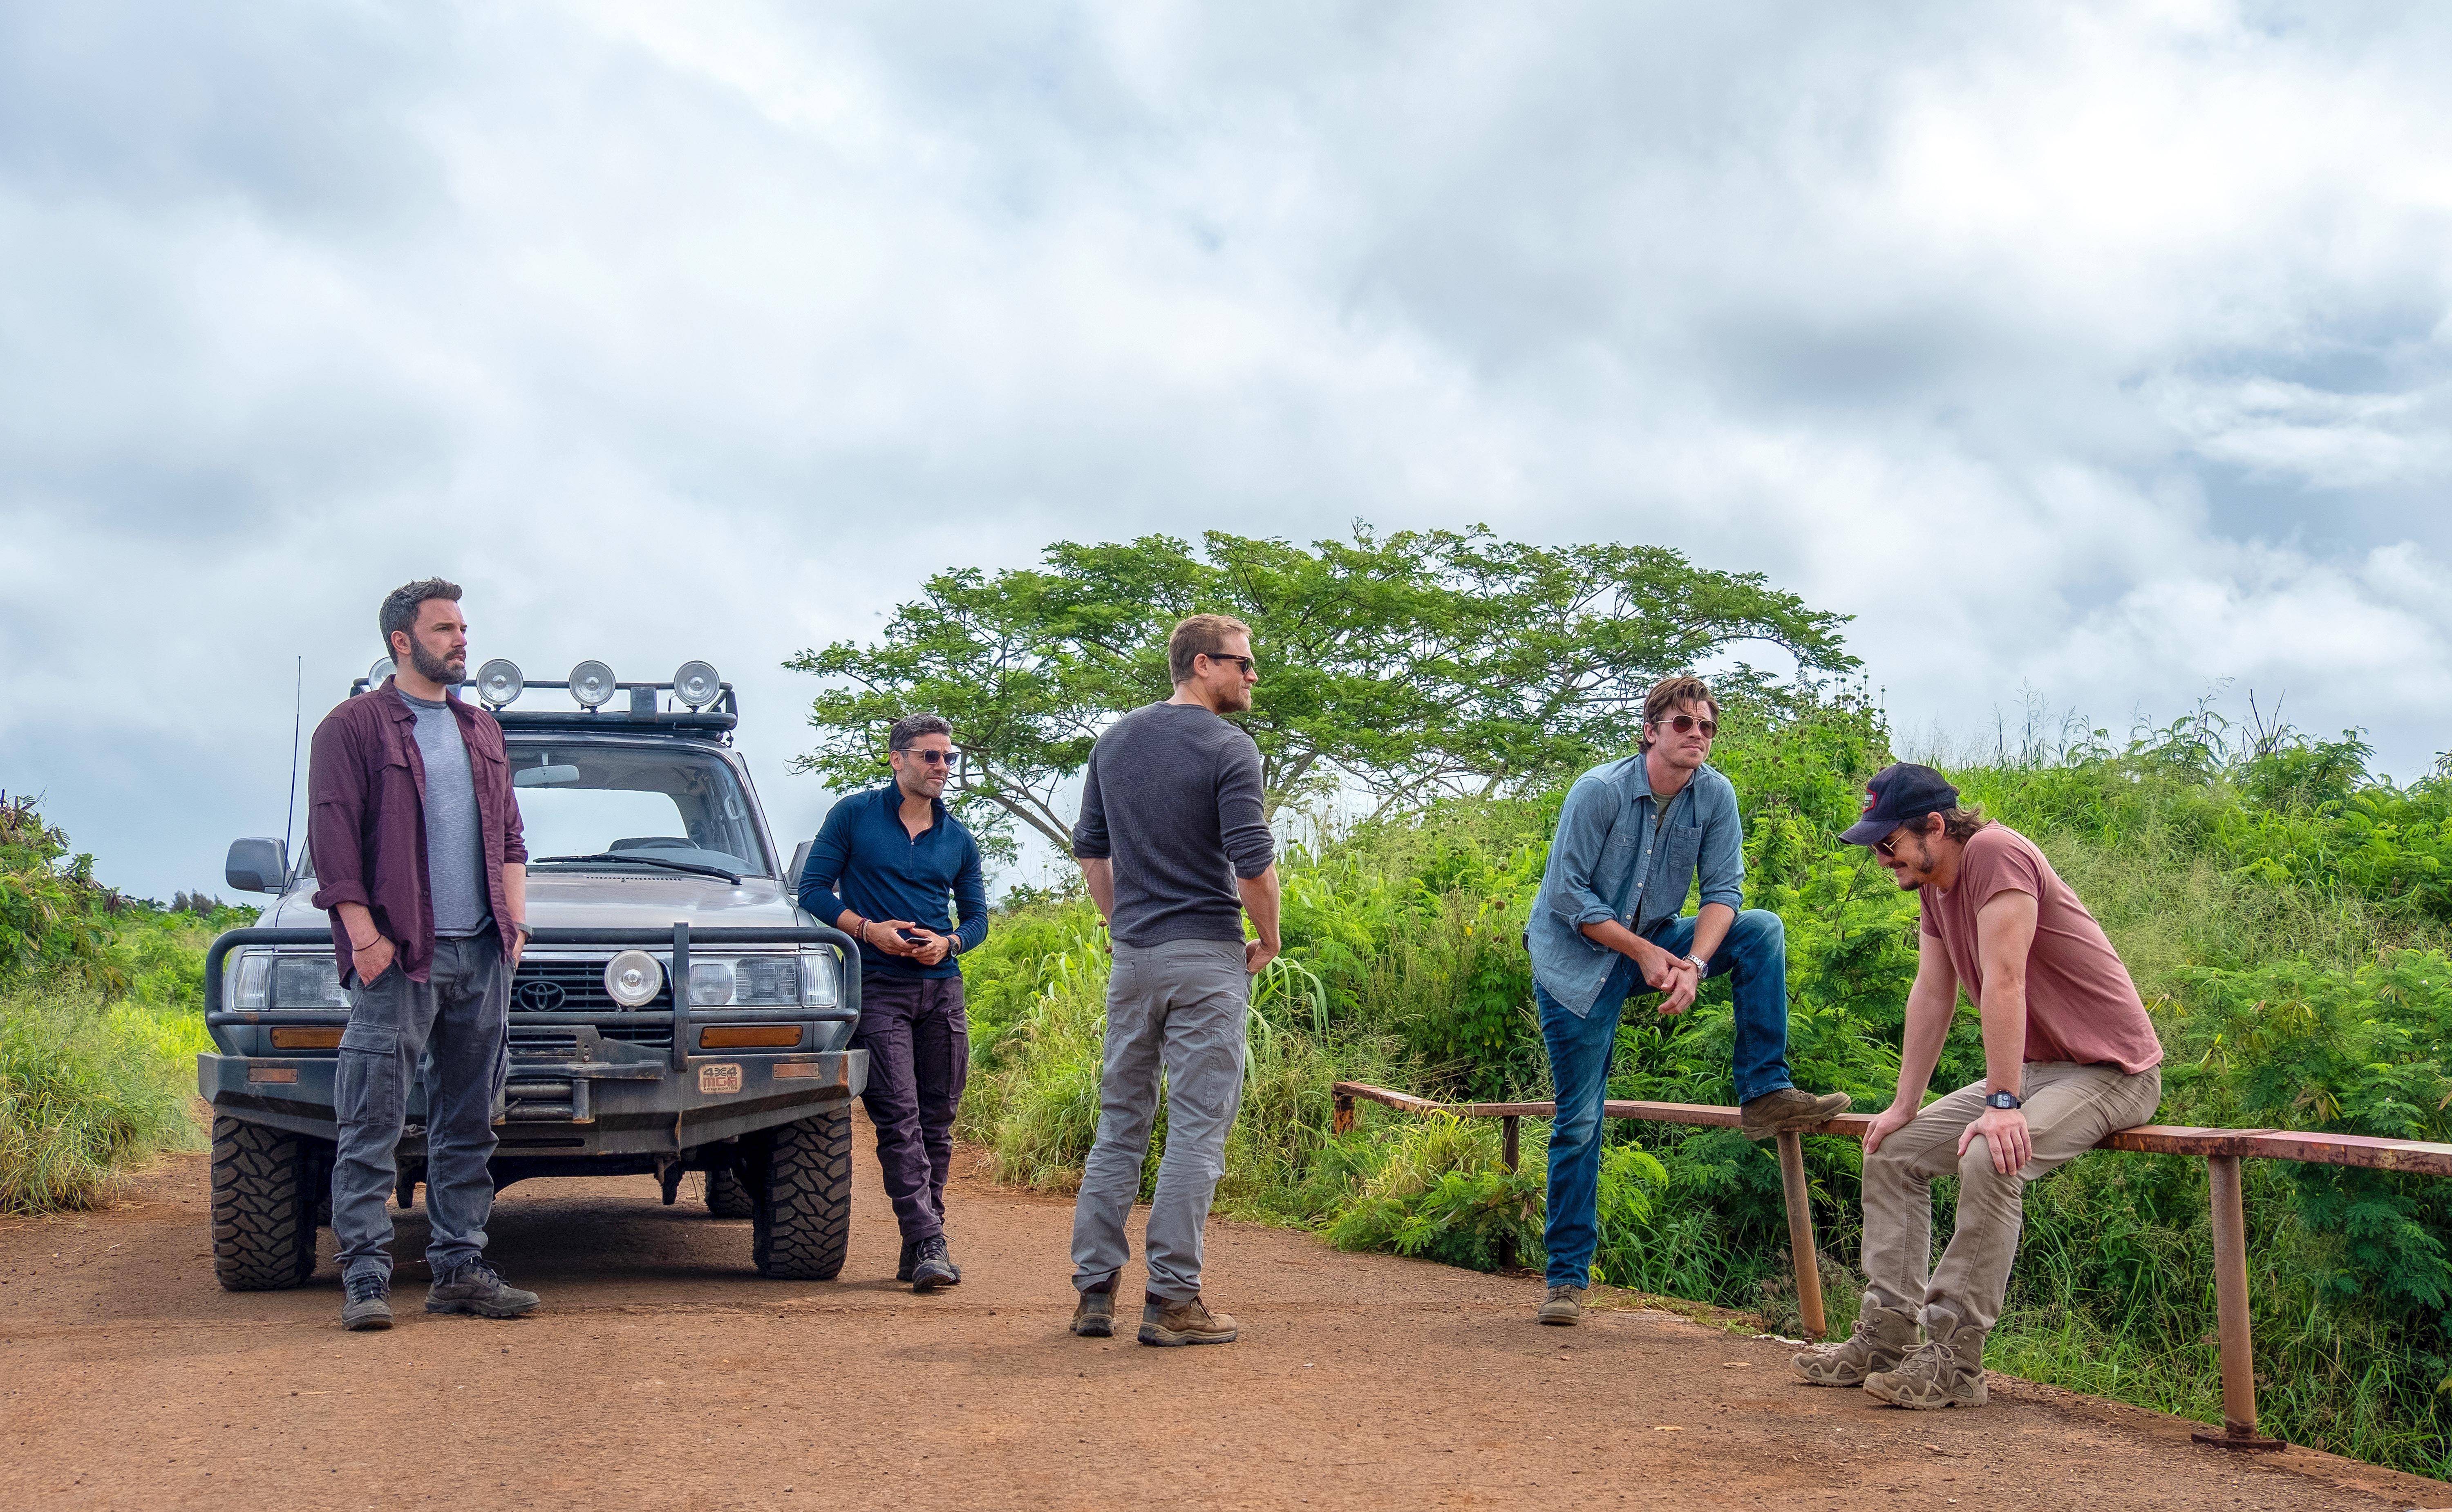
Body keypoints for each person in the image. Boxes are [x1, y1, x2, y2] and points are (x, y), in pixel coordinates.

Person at [1792, 763, 2163, 1408]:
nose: (1884, 860)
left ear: (1935, 826)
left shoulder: (1997, 854)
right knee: (1895, 1150)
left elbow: (2005, 980)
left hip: (2112, 1069)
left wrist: (2001, 1104)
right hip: (2038, 1067)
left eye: (1890, 844)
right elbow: (1933, 993)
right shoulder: (1934, 885)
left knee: (1992, 1154)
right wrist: (1906, 1104)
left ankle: (1956, 1362)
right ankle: (1885, 1337)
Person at [1526, 674, 1850, 1327]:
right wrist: (1644, 955)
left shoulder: (1716, 795)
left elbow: (1723, 892)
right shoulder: (1599, 792)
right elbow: (1568, 898)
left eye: (1707, 727)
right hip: (1575, 961)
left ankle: (1764, 1090)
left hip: (1658, 938)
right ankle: (1565, 1279)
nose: (1697, 736)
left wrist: (1695, 964)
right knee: (1582, 1120)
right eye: (1683, 724)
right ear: (1651, 731)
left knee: (1761, 929)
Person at [309, 578, 536, 1331]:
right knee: (372, 1120)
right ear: (402, 642)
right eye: (444, 629)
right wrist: (363, 936)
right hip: (400, 956)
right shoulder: (353, 726)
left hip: (482, 952)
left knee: (470, 1121)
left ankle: (461, 1270)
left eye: (463, 627)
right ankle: (367, 1278)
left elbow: (509, 837)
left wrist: (516, 928)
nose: (461, 639)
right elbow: (334, 839)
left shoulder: (481, 730)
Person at [1066, 613, 1280, 1347]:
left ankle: (1095, 1293)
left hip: (1135, 957)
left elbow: (1092, 853)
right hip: (1205, 957)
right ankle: (1172, 1300)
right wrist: (1272, 937)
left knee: (1120, 1121)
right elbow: (1252, 860)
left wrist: (1120, 923)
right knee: (1196, 1127)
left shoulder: (1116, 741)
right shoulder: (1230, 748)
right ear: (1200, 665)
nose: (1253, 676)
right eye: (1242, 664)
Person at [797, 712, 988, 1293]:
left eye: (948, 758)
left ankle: (919, 1243)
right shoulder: (854, 816)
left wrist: (949, 942)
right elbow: (811, 891)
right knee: (899, 1119)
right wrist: (866, 929)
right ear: (896, 759)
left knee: (938, 1122)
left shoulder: (958, 838)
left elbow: (978, 919)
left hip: (943, 990)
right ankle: (932, 1241)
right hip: (877, 988)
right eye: (930, 756)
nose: (942, 768)